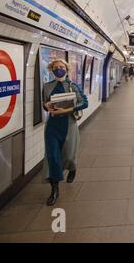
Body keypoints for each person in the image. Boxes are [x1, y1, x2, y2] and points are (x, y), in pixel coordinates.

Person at [42, 59, 88, 206]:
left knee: (69, 155)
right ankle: (54, 189)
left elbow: (84, 102)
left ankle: (72, 167)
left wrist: (68, 110)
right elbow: (45, 103)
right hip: (52, 126)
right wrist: (47, 105)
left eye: (61, 67)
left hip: (69, 124)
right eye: (55, 68)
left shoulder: (73, 86)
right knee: (53, 156)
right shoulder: (47, 87)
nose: (58, 69)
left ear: (66, 69)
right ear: (51, 69)